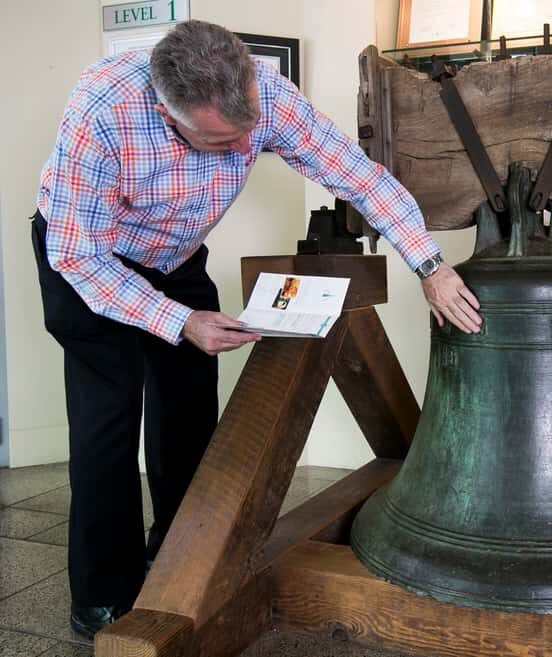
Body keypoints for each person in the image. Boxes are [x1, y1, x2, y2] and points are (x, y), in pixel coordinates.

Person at [32, 19, 482, 640]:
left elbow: (356, 173)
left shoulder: (265, 92)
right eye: (222, 142)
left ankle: (180, 558)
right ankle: (103, 594)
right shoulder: (102, 109)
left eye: (248, 135)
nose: (243, 148)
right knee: (107, 420)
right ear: (168, 113)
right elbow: (78, 256)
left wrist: (428, 264)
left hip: (176, 257)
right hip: (88, 259)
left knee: (189, 411)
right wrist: (178, 319)